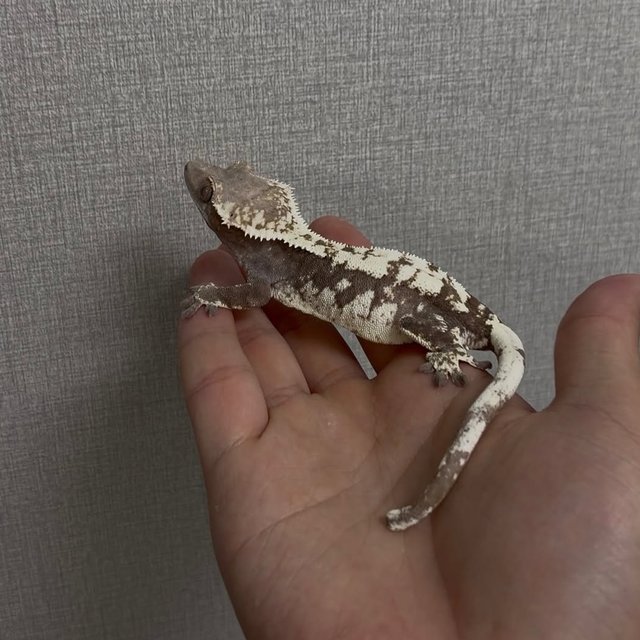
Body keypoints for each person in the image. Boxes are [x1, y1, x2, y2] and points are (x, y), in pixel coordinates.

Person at [179, 216, 640, 639]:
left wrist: (447, 350)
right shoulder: (282, 260)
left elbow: (258, 294)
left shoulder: (277, 265)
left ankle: (448, 348)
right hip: (420, 298)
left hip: (438, 313)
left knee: (417, 325)